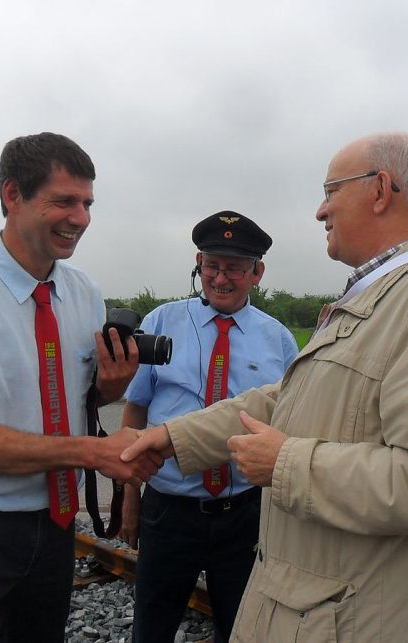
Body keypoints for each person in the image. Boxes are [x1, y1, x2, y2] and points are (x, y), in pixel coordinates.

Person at [122, 132, 408, 641]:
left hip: (367, 620)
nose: (321, 210)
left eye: (331, 191)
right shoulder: (384, 294)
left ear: (380, 190)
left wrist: (284, 463)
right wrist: (174, 437)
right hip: (330, 607)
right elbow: (289, 398)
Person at [0, 132, 161, 643]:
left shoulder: (83, 291)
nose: (80, 218)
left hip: (53, 521)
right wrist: (93, 452)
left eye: (87, 203)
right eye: (64, 201)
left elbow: (71, 400)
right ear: (13, 195)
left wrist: (109, 387)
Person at [120, 211, 298, 643]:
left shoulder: (279, 340)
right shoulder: (160, 324)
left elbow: (291, 423)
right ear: (198, 264)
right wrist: (129, 499)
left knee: (241, 628)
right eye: (211, 266)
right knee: (152, 626)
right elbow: (135, 410)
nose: (220, 278)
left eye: (233, 268)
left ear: (256, 273)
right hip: (169, 510)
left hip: (244, 513)